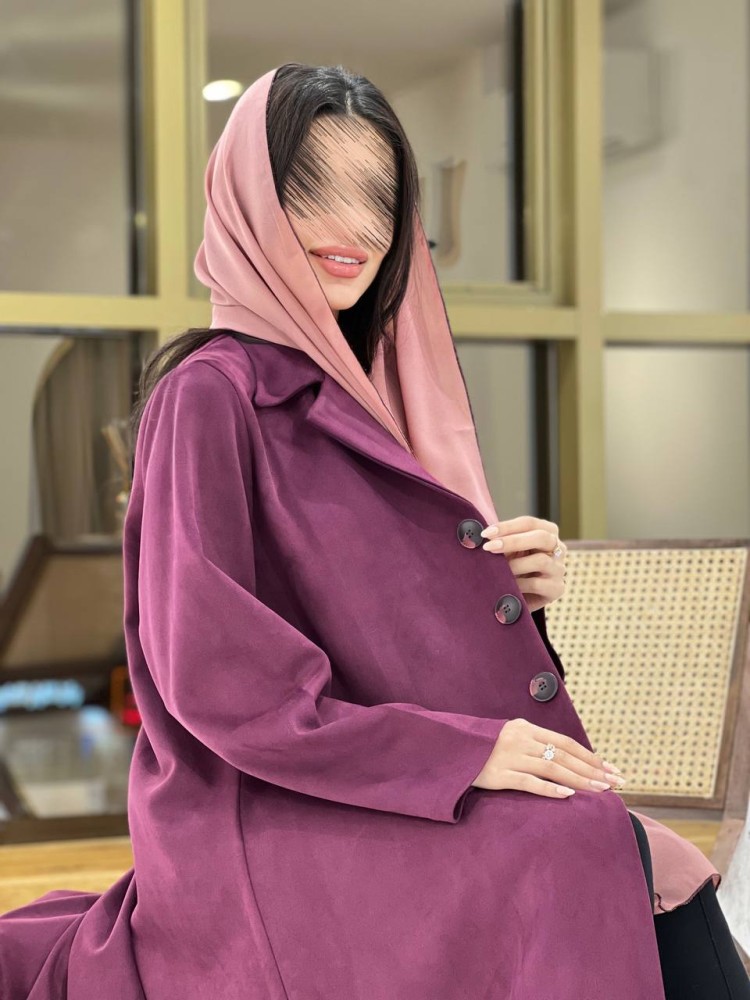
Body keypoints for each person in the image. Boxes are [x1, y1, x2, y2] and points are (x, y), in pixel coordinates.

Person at [1, 61, 748, 999]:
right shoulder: (210, 394)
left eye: (380, 197)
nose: (353, 225)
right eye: (312, 188)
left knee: (652, 866)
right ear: (250, 204)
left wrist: (506, 590)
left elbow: (374, 634)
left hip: (367, 788)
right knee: (584, 843)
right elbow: (216, 680)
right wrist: (464, 752)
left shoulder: (380, 398)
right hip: (257, 811)